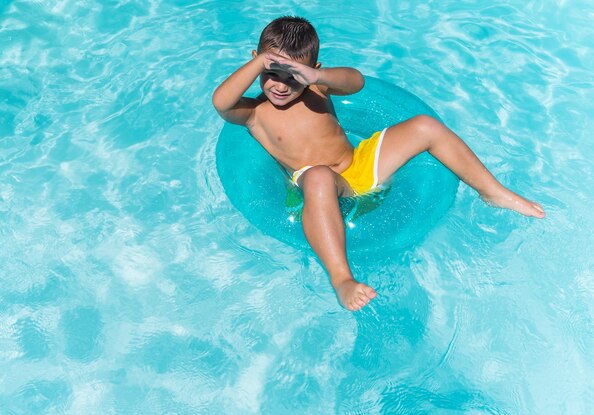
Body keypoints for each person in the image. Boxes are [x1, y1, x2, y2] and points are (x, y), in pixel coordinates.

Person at [212, 16, 545, 311]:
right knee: (317, 177)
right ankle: (342, 278)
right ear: (256, 62)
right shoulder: (254, 114)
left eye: (293, 77)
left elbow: (356, 81)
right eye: (272, 73)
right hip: (318, 184)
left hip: (359, 164)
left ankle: (492, 191)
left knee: (426, 126)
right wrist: (260, 66)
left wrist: (315, 75)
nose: (282, 85)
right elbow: (221, 101)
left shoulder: (318, 87)